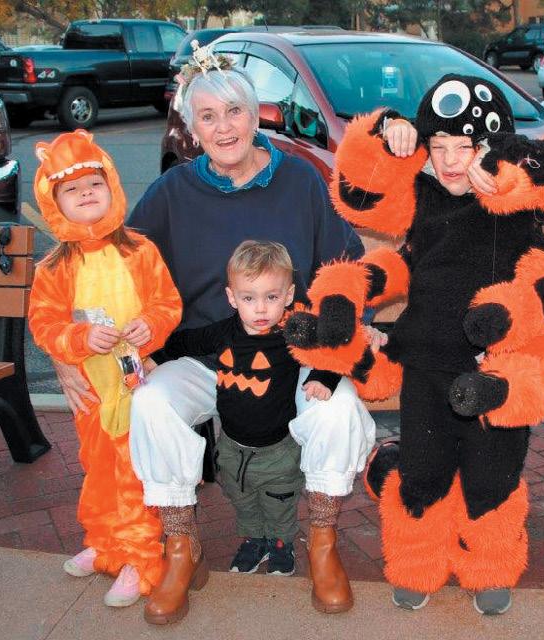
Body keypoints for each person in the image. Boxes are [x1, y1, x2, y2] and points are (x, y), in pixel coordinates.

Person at [46, 45, 374, 624]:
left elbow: (344, 268)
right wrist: (63, 352)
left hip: (291, 351)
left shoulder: (299, 180)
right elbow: (101, 261)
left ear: (256, 116)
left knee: (340, 409)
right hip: (203, 351)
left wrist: (348, 325)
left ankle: (322, 543)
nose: (223, 128)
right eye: (208, 117)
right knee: (151, 402)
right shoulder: (173, 192)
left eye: (234, 112)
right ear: (192, 130)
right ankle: (182, 547)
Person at [285, 75, 544, 615]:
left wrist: (509, 313)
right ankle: (417, 564)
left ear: (493, 149)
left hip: (494, 376)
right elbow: (363, 200)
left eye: (467, 147)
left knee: (492, 479)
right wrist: (387, 131)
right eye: (439, 146)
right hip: (426, 367)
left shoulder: (517, 209)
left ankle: (491, 568)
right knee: (423, 474)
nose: (452, 161)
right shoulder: (423, 200)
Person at [27, 130, 183, 608]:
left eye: (95, 183)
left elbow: (167, 303)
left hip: (136, 383)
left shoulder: (140, 251)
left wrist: (149, 326)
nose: (86, 194)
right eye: (72, 189)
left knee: (135, 470)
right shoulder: (53, 268)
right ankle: (105, 543)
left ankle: (141, 558)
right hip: (91, 391)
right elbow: (44, 323)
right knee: (97, 469)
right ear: (55, 203)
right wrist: (78, 339)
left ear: (111, 186)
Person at [155, 240, 342, 580]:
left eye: (271, 297)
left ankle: (282, 543)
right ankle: (254, 540)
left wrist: (323, 377)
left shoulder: (293, 333)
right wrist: (155, 357)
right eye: (248, 298)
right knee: (242, 498)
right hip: (232, 446)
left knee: (278, 501)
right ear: (232, 297)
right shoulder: (223, 332)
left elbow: (333, 349)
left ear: (288, 295)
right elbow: (184, 342)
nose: (260, 309)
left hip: (278, 448)